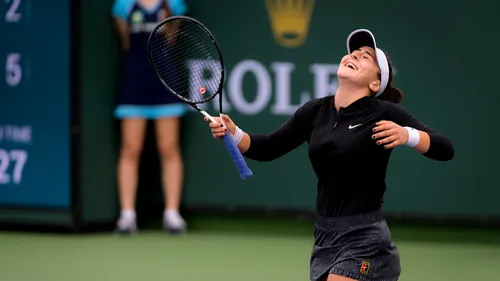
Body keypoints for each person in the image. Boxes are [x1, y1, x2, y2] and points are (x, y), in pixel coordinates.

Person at [205, 29, 454, 281]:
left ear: (375, 84)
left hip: (365, 238)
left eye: (366, 56)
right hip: (325, 237)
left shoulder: (383, 113)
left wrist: (407, 135)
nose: (355, 55)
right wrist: (234, 133)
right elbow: (267, 148)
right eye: (353, 52)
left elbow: (445, 149)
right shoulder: (314, 111)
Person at [111, 0, 189, 235]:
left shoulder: (173, 4)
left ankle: (172, 215)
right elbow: (125, 42)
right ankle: (127, 216)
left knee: (169, 147)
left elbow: (172, 39)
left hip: (165, 83)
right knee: (130, 148)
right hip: (134, 82)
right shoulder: (124, 5)